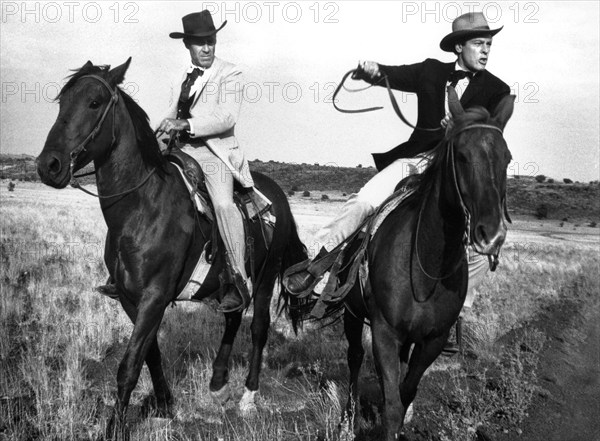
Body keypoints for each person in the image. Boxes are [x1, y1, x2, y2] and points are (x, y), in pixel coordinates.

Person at [285, 12, 510, 350]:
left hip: (456, 174)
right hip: (415, 162)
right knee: (364, 202)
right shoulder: (431, 71)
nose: (485, 50)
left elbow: (489, 140)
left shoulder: (497, 90)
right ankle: (319, 266)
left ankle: (455, 311)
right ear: (459, 46)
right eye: (479, 43)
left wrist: (459, 132)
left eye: (489, 44)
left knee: (484, 246)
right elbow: (393, 75)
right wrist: (373, 72)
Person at [157, 10, 254, 313]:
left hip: (213, 153)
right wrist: (152, 140)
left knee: (224, 205)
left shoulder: (231, 72)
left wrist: (186, 126)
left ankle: (240, 279)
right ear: (188, 45)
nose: (207, 48)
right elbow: (171, 116)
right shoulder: (184, 77)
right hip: (178, 149)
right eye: (200, 43)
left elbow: (226, 117)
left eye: (210, 41)